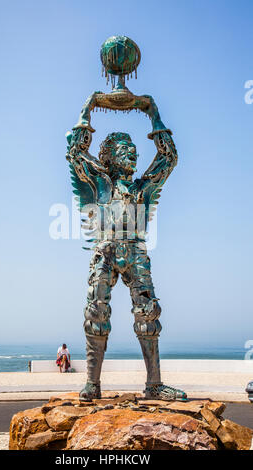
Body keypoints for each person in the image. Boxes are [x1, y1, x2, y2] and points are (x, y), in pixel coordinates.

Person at [66, 89, 187, 401]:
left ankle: (154, 384)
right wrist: (88, 108)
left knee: (149, 313)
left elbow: (169, 158)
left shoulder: (143, 189)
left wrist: (153, 112)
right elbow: (75, 153)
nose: (133, 153)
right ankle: (92, 385)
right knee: (96, 312)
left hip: (135, 252)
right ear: (110, 156)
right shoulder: (100, 183)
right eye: (126, 149)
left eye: (134, 149)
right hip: (105, 251)